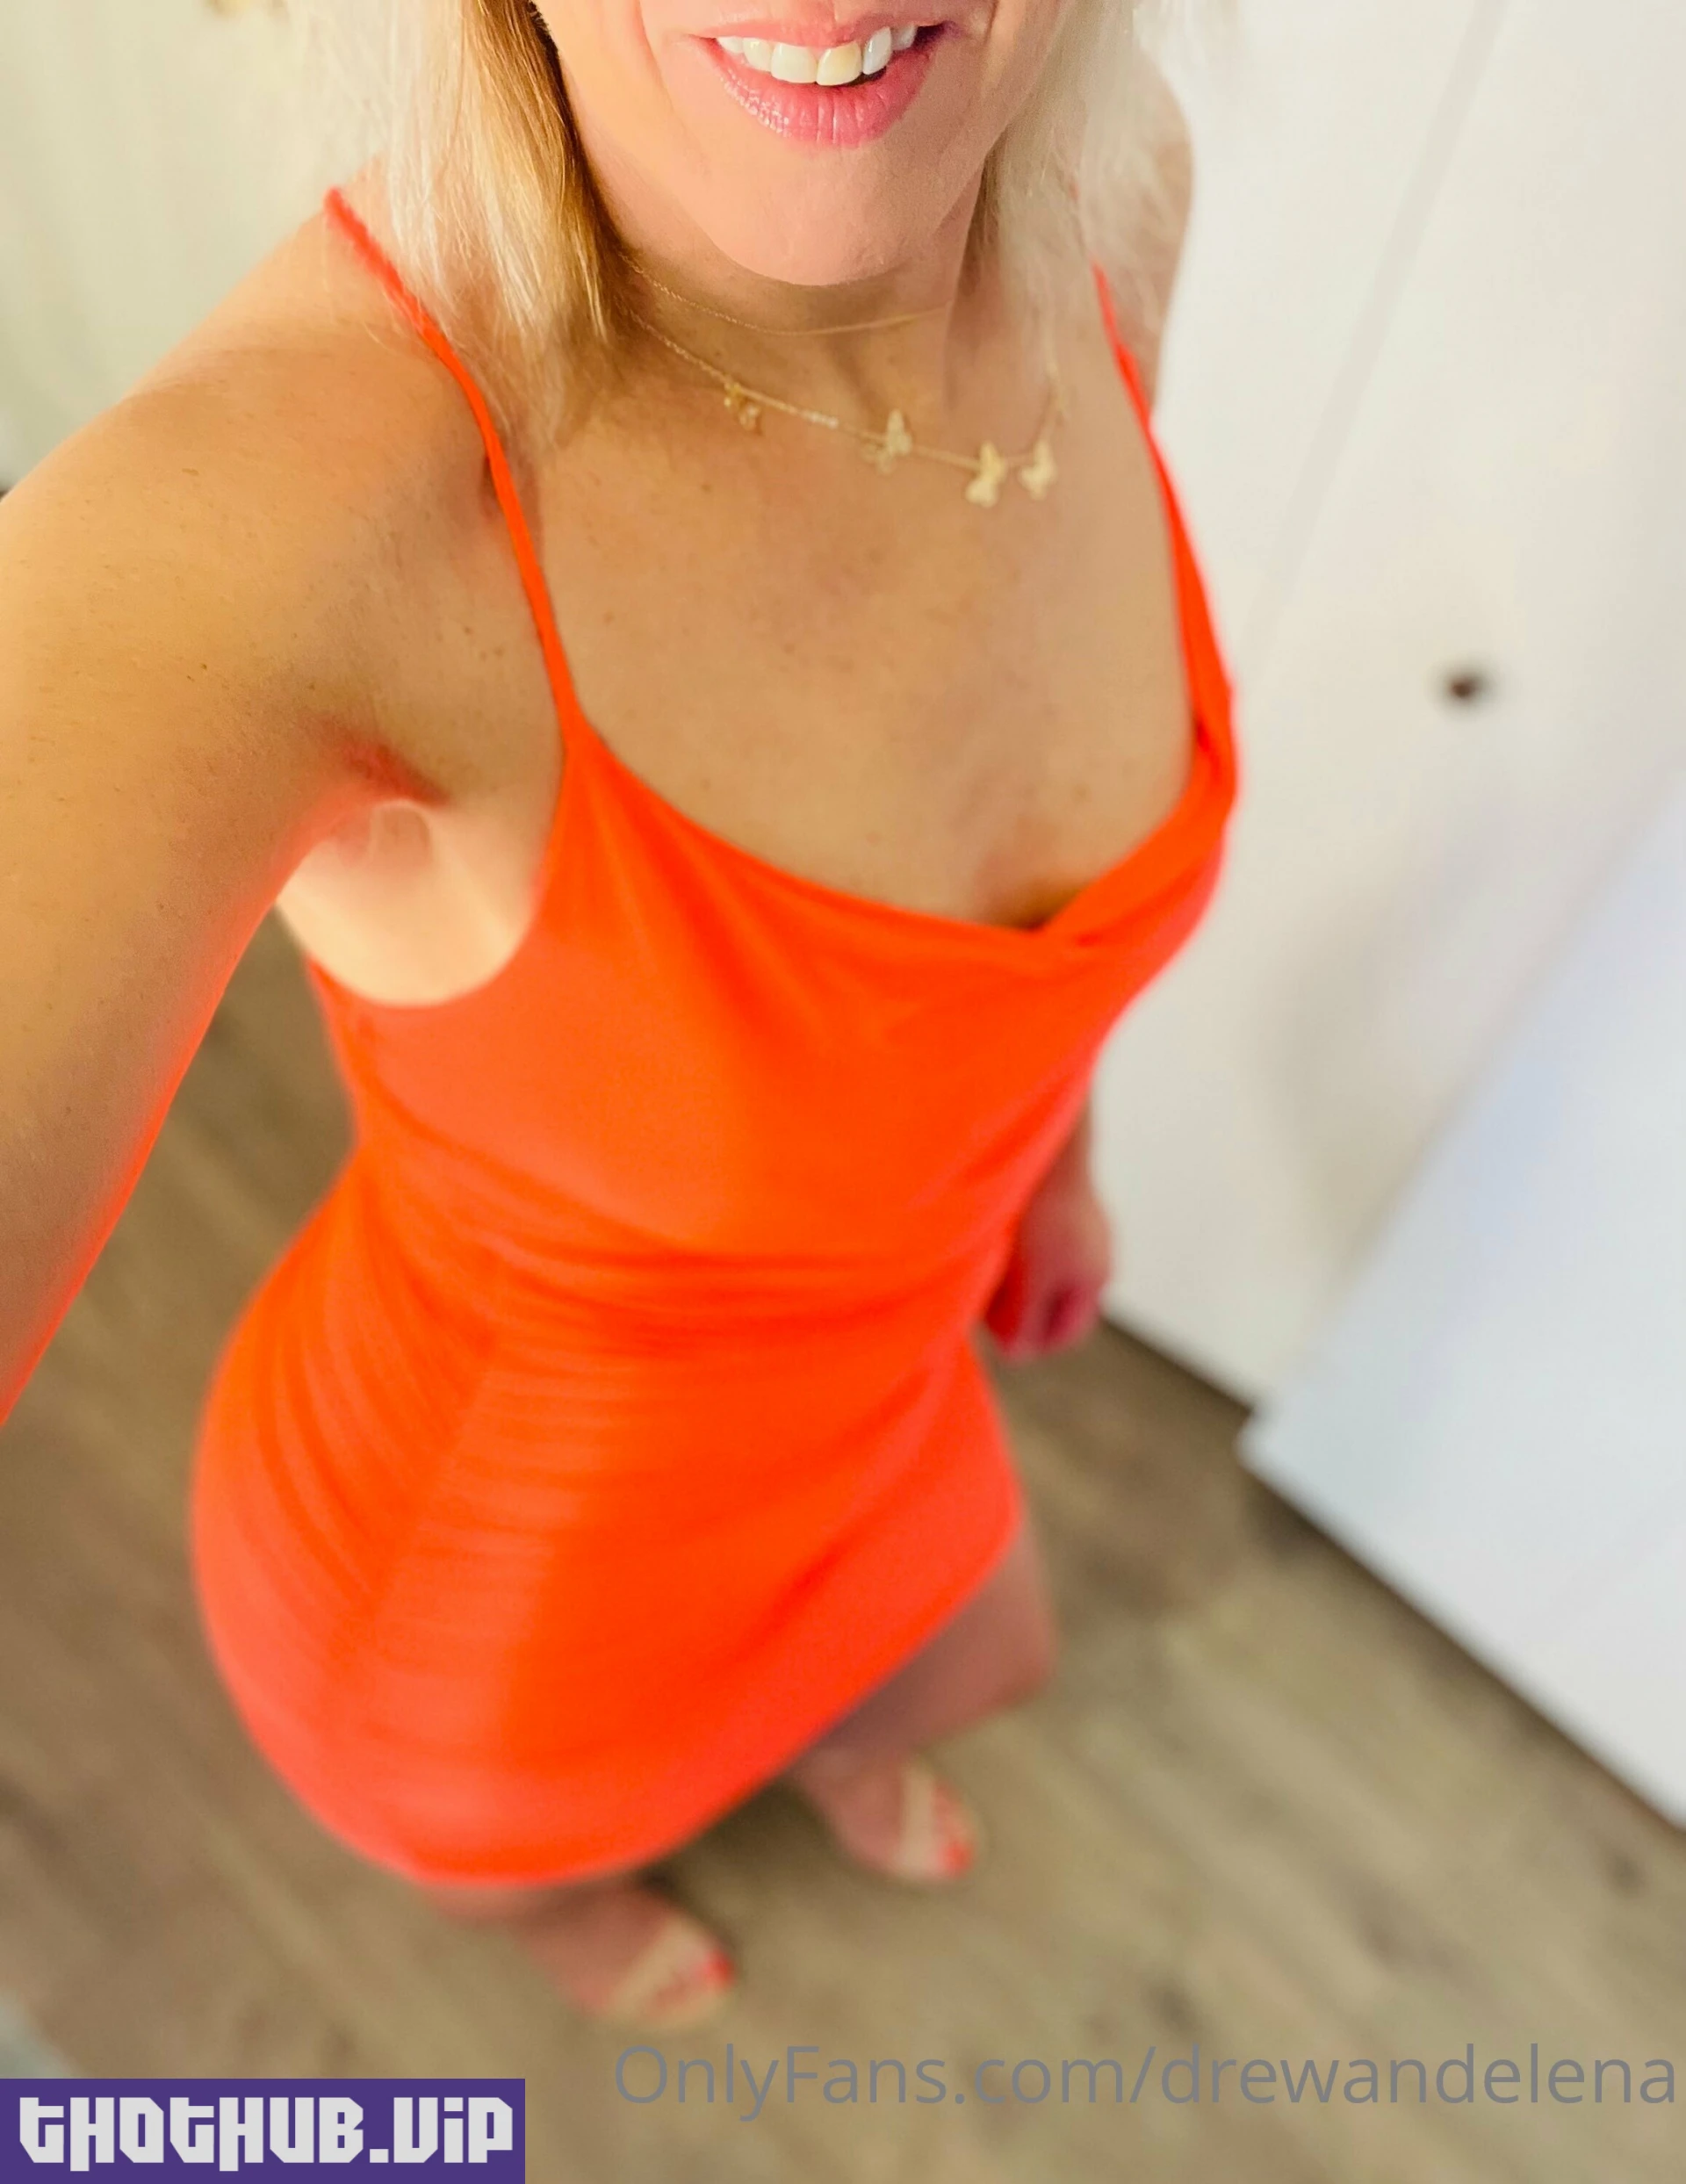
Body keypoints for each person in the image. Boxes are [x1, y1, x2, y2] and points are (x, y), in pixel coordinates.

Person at [0, 0, 1236, 2029]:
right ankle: (557, 1917)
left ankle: (812, 1742)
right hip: (495, 1606)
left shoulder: (1115, 201)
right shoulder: (277, 523)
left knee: (979, 1658)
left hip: (877, 1405)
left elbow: (1001, 955)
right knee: (537, 1848)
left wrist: (1057, 1162)